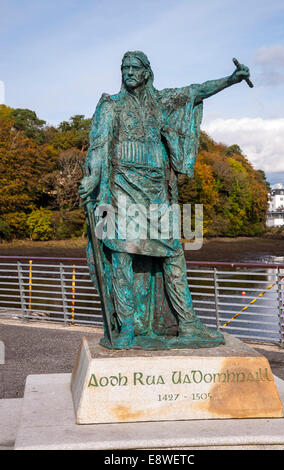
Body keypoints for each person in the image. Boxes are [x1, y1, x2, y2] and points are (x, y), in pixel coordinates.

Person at [79, 51, 251, 349]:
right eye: (125, 68)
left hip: (156, 193)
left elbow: (195, 91)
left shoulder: (162, 101)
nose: (129, 72)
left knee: (173, 255)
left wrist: (231, 80)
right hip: (119, 191)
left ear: (147, 72)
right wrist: (94, 176)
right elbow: (99, 143)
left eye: (135, 67)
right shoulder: (111, 104)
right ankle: (127, 325)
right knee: (121, 257)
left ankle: (187, 324)